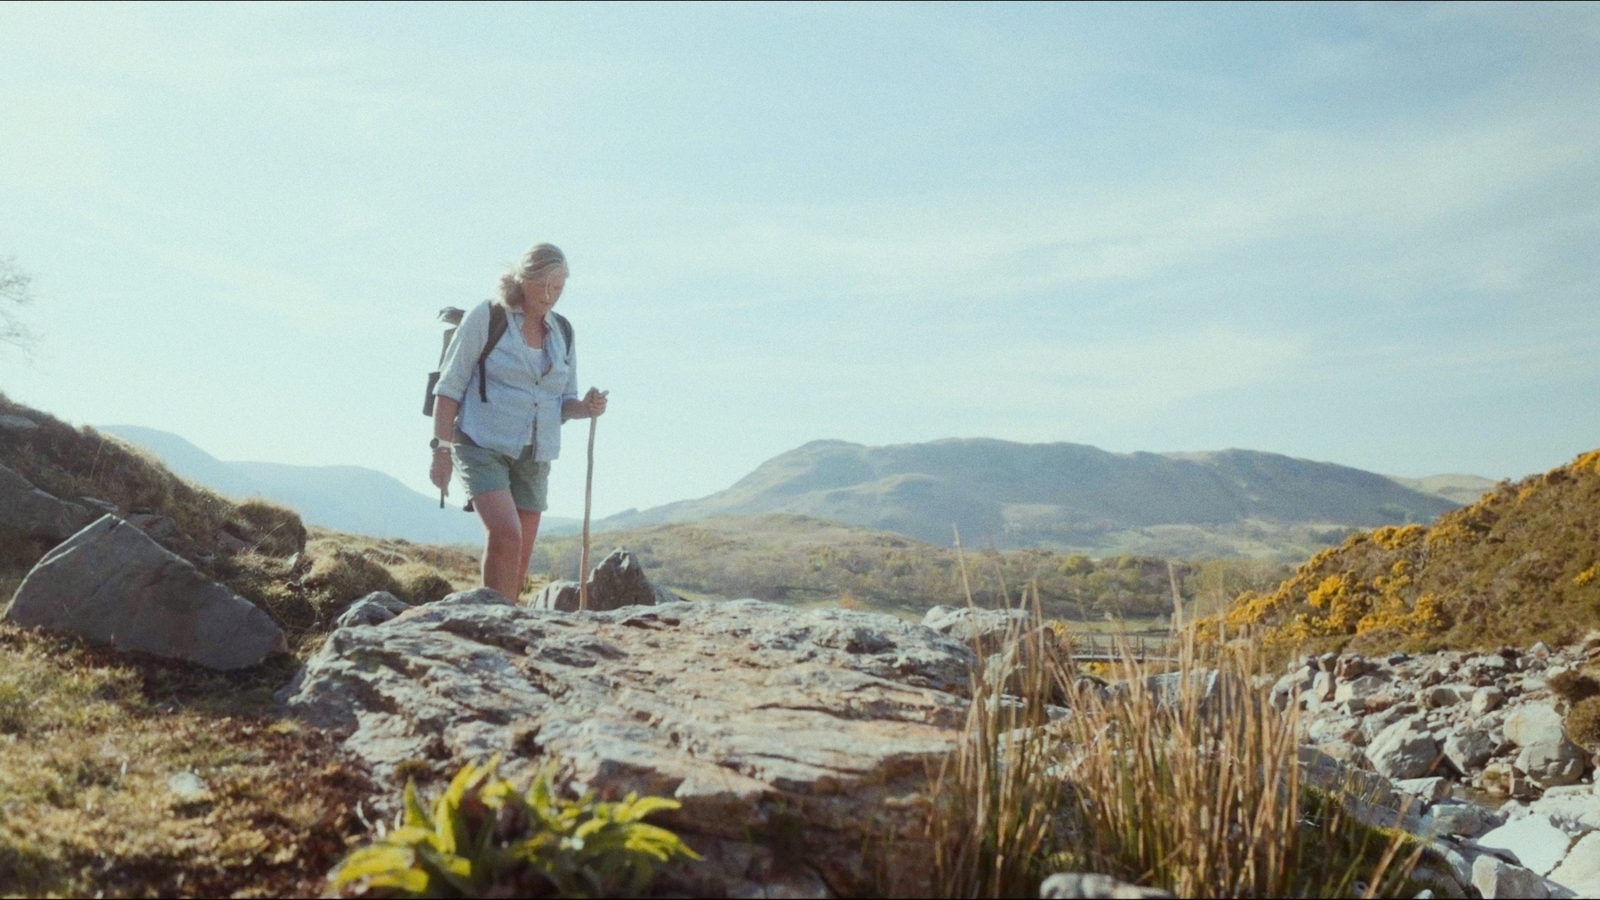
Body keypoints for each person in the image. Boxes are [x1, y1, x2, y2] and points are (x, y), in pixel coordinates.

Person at [428, 243, 607, 601]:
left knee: (519, 557)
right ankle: (488, 624)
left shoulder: (563, 333)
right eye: (543, 285)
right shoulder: (488, 316)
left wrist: (585, 407)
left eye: (558, 288)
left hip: (536, 456)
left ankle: (504, 628)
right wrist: (441, 451)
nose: (550, 295)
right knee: (506, 536)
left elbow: (561, 402)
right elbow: (448, 387)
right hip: (481, 445)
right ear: (523, 280)